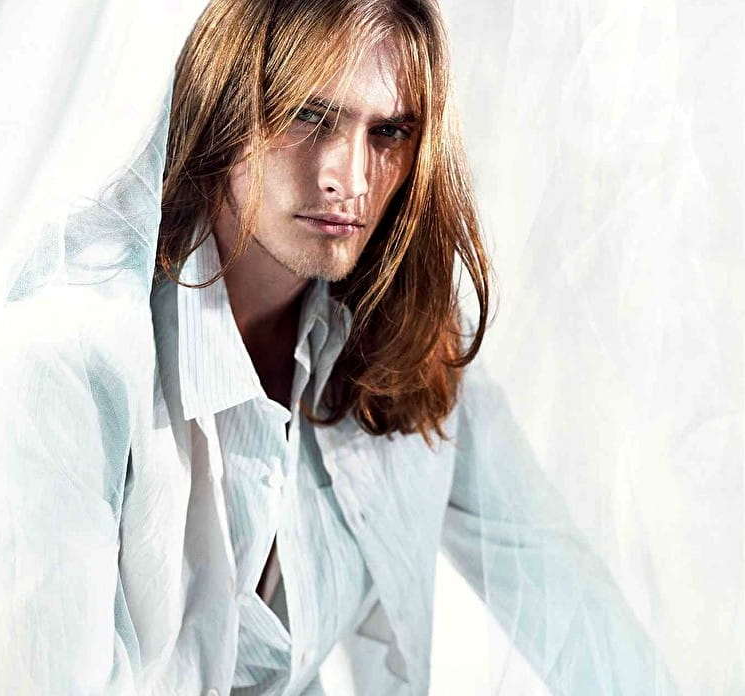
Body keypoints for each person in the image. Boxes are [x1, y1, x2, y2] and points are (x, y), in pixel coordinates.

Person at [111, 0, 680, 694]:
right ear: (224, 104)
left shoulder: (408, 347)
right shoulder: (100, 350)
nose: (348, 180)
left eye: (388, 132)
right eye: (309, 115)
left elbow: (563, 594)